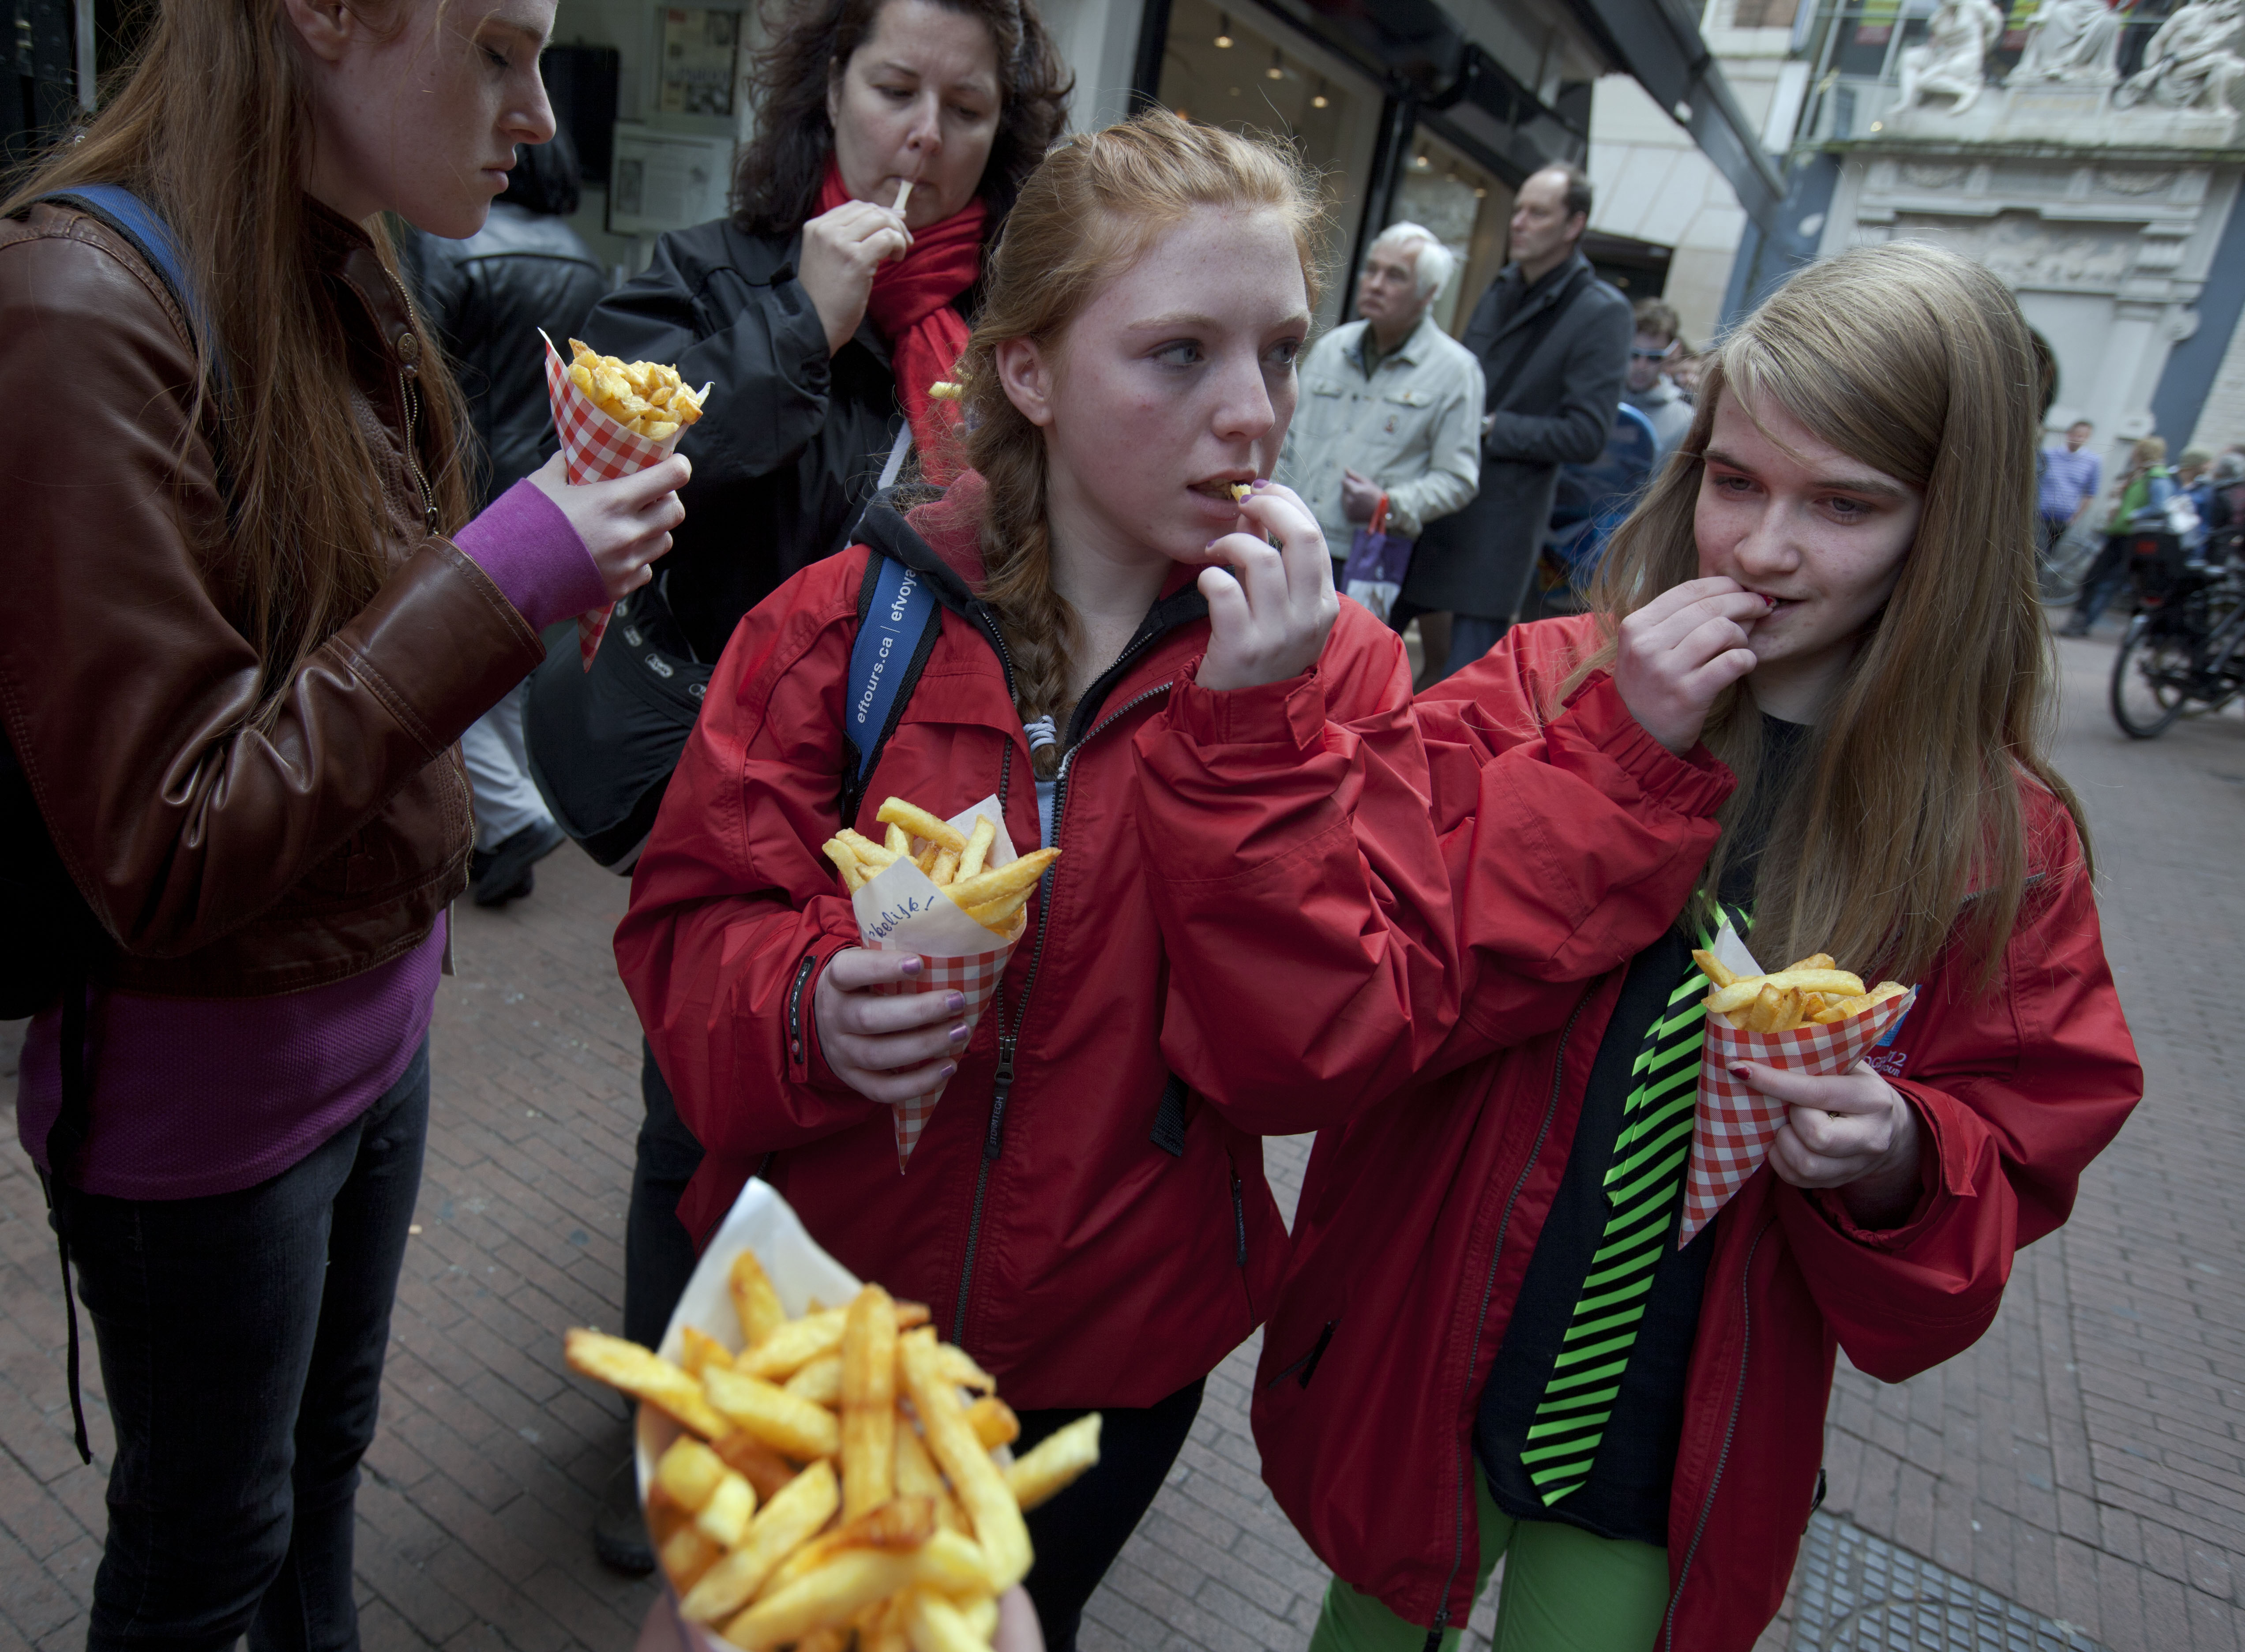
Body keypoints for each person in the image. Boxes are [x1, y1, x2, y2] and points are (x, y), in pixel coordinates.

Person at [613, 110, 1452, 1652]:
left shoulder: (1338, 674)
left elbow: (1316, 1060)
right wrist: (809, 1007)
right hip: (819, 1322)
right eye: (1178, 354)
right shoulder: (837, 629)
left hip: (1102, 1357)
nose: (1251, 413)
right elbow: (684, 936)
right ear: (1029, 372)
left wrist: (1255, 743)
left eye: (1277, 350)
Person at [1249, 241, 2140, 1650]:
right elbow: (1378, 973)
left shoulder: (1996, 841)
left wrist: (1900, 1155)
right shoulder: (1551, 680)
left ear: (1946, 525)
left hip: (1669, 1434)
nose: (1763, 548)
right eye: (1734, 481)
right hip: (1428, 1348)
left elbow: (2017, 1140)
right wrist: (1615, 752)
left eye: (1843, 505)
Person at [0, 0, 687, 1645]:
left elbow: (350, 644)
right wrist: (506, 580)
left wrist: (537, 581)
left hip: (378, 1032)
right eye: (500, 51)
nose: (536, 115)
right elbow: (168, 840)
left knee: (326, 1459)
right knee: (203, 1547)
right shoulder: (76, 308)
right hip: (202, 1111)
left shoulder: (344, 258)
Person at [575, 0, 1071, 1569]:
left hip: (928, 813)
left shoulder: (1022, 330)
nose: (924, 136)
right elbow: (630, 500)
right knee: (699, 1099)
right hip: (739, 792)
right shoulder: (718, 273)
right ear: (826, 97)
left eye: (969, 108)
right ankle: (677, 1439)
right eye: (894, 90)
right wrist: (801, 323)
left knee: (899, 1131)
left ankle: (848, 1434)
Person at [405, 128, 607, 907]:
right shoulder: (580, 258)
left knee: (448, 662)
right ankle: (508, 822)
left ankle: (512, 816)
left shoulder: (449, 246)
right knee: (513, 656)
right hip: (548, 482)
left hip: (469, 476)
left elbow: (423, 373)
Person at [1399, 163, 1632, 682]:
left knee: (1462, 687)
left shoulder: (1602, 312)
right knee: (1378, 658)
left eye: (1537, 213)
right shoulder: (1502, 285)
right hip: (1436, 502)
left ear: (1574, 225)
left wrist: (1487, 427)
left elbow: (1587, 434)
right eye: (1518, 210)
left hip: (1499, 527)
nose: (1519, 222)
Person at [1276, 221, 1483, 588]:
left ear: (1428, 293)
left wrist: (1388, 504)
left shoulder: (1456, 371)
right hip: (1288, 537)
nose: (1375, 284)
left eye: (1395, 277)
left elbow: (1458, 478)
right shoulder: (1330, 348)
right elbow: (1284, 439)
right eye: (1372, 270)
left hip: (1365, 556)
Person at [2061, 435, 2176, 636]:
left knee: (2107, 583)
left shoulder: (2157, 477)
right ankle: (2079, 621)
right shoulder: (2140, 474)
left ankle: (2082, 624)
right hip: (2118, 535)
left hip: (2132, 538)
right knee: (2095, 579)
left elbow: (2160, 507)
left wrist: (2133, 516)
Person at [1620, 298, 1693, 459]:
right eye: (1634, 354)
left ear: (1674, 352)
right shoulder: (1598, 398)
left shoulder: (1685, 421)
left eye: (1654, 357)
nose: (1641, 366)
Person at [2037, 417, 2100, 558]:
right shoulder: (2048, 455)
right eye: (2076, 434)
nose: (2078, 439)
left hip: (2063, 519)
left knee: (2046, 556)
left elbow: (2090, 494)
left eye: (2083, 436)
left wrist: (2075, 518)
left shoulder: (2092, 462)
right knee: (2036, 550)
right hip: (2040, 514)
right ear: (2069, 434)